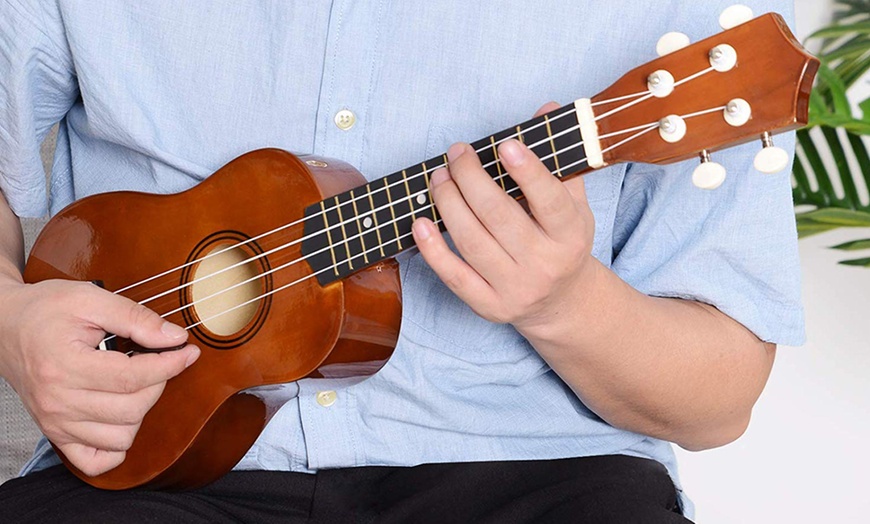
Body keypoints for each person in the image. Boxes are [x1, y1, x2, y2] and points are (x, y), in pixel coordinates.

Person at [0, 1, 804, 522]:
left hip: (540, 477)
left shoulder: (698, 44)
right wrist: (11, 316)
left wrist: (564, 304)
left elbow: (716, 406)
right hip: (154, 470)